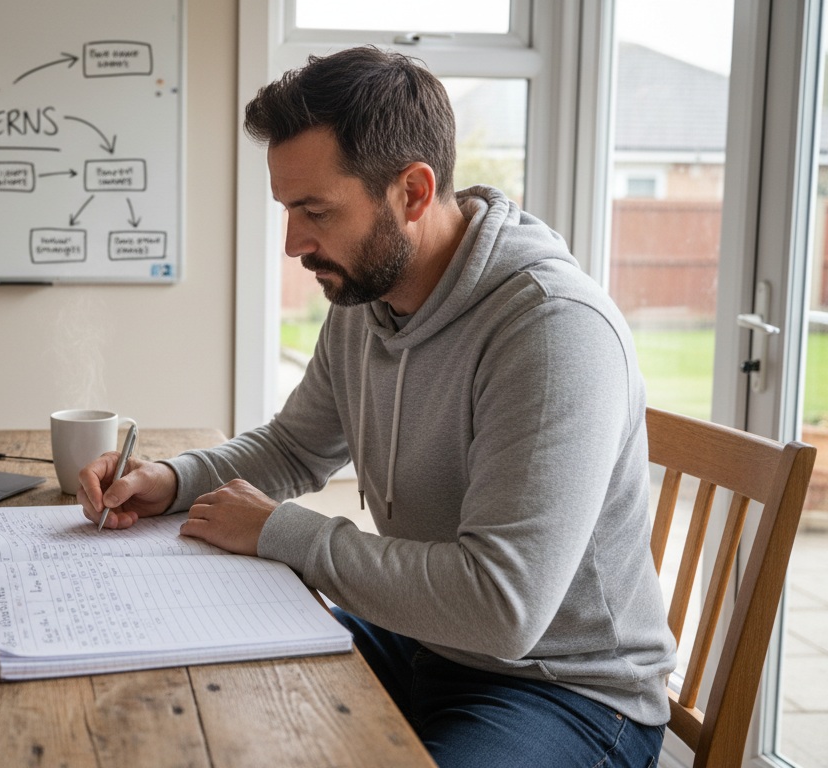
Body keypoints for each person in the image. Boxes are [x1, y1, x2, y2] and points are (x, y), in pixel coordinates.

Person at [78, 46, 676, 768]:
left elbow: (503, 607)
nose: (295, 244)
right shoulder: (367, 296)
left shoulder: (553, 331)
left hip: (565, 691)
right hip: (428, 643)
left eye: (315, 211)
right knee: (202, 700)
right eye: (287, 211)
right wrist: (172, 480)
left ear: (413, 193)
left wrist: (284, 533)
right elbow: (296, 448)